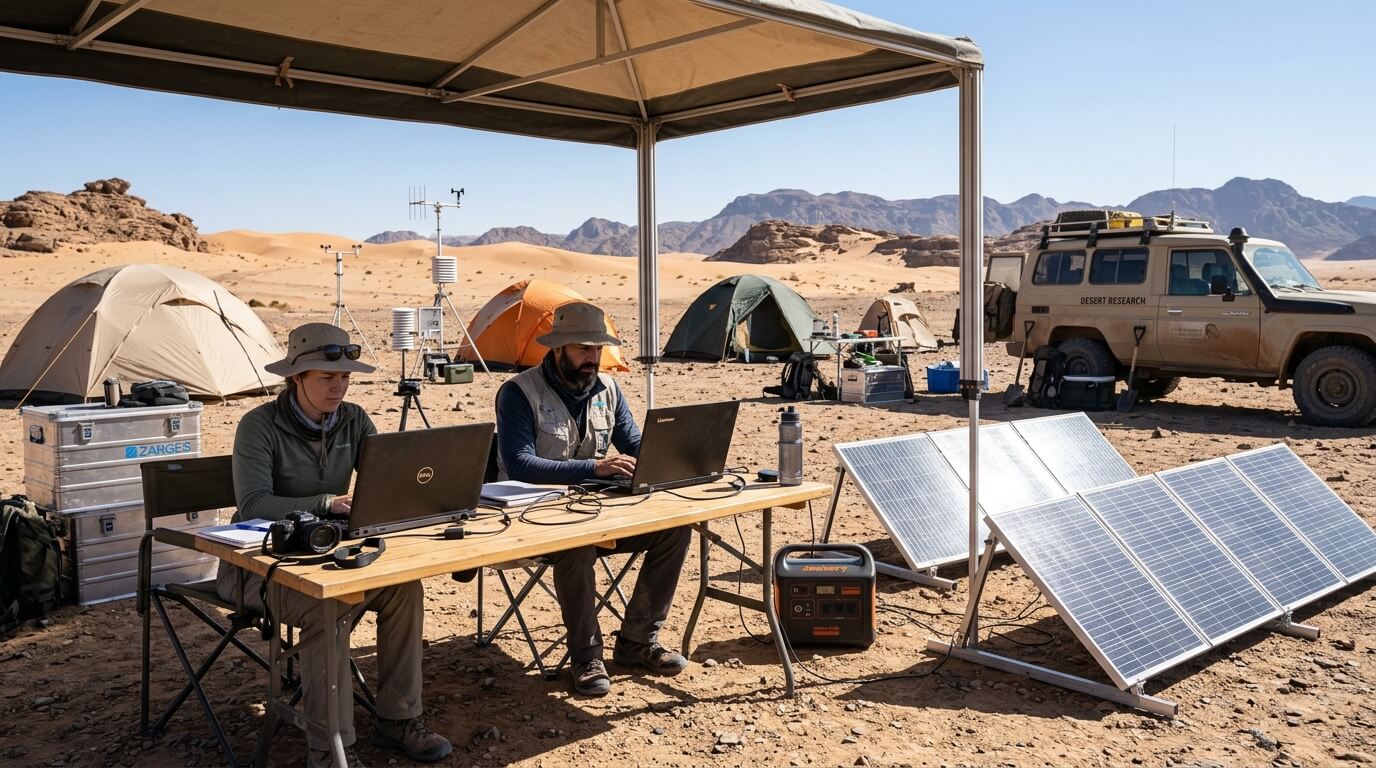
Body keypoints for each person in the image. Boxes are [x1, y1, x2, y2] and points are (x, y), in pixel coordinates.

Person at [217, 323, 451, 767]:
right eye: (327, 378)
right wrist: (328, 502)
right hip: (254, 566)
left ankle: (398, 720)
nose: (339, 387)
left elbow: (386, 476)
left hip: (329, 558)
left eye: (345, 377)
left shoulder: (355, 419)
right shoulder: (258, 426)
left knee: (405, 590)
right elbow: (252, 505)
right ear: (296, 378)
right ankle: (331, 751)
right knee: (327, 609)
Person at [494, 302, 691, 697]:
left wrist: (669, 458)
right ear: (558, 348)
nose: (592, 358)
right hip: (532, 521)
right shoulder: (518, 393)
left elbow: (633, 444)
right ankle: (585, 655)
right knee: (576, 546)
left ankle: (637, 641)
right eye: (584, 349)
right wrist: (594, 468)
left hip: (598, 513)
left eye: (597, 349)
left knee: (674, 530)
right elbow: (519, 464)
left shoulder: (608, 389)